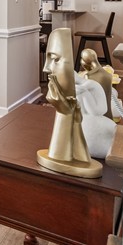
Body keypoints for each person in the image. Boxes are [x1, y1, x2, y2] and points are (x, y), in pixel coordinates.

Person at [38, 28, 102, 177]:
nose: (45, 68)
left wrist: (65, 113)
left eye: (55, 59)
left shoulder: (89, 87)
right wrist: (65, 112)